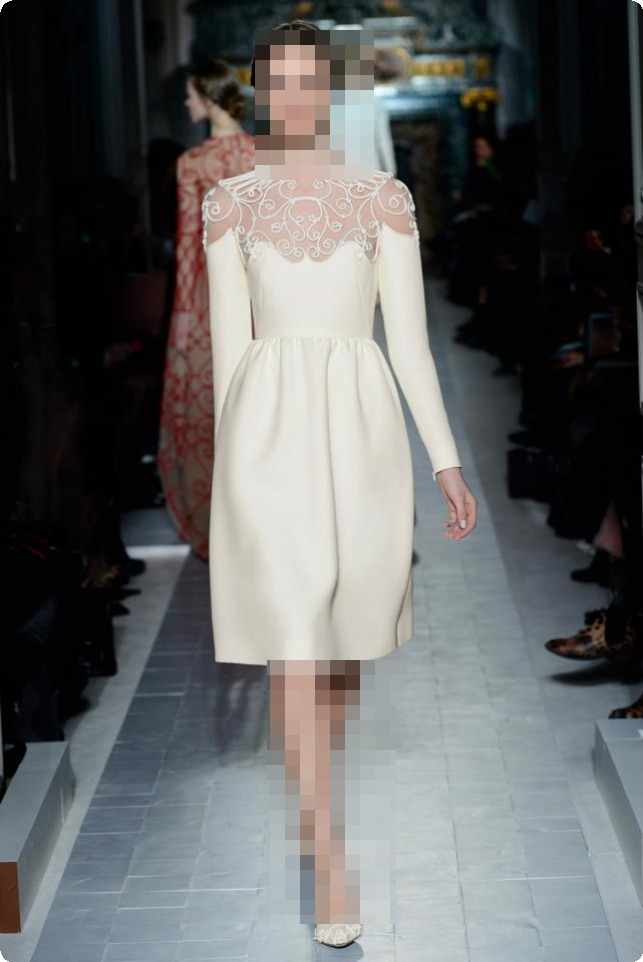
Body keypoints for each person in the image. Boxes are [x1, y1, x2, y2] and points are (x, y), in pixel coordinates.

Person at [202, 20, 478, 947]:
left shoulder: (382, 199)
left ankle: (323, 799)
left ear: (328, 90)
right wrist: (227, 481)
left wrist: (444, 460)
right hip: (264, 438)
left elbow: (411, 345)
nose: (292, 96)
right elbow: (229, 354)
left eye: (306, 80)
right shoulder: (229, 203)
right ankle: (328, 866)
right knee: (295, 642)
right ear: (259, 92)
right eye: (275, 81)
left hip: (361, 437)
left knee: (339, 641)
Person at [158, 60, 254, 560]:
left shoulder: (191, 163)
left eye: (192, 94)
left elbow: (189, 249)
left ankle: (224, 530)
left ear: (211, 97)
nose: (186, 102)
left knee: (209, 411)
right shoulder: (268, 155)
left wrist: (184, 321)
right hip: (264, 296)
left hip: (210, 301)